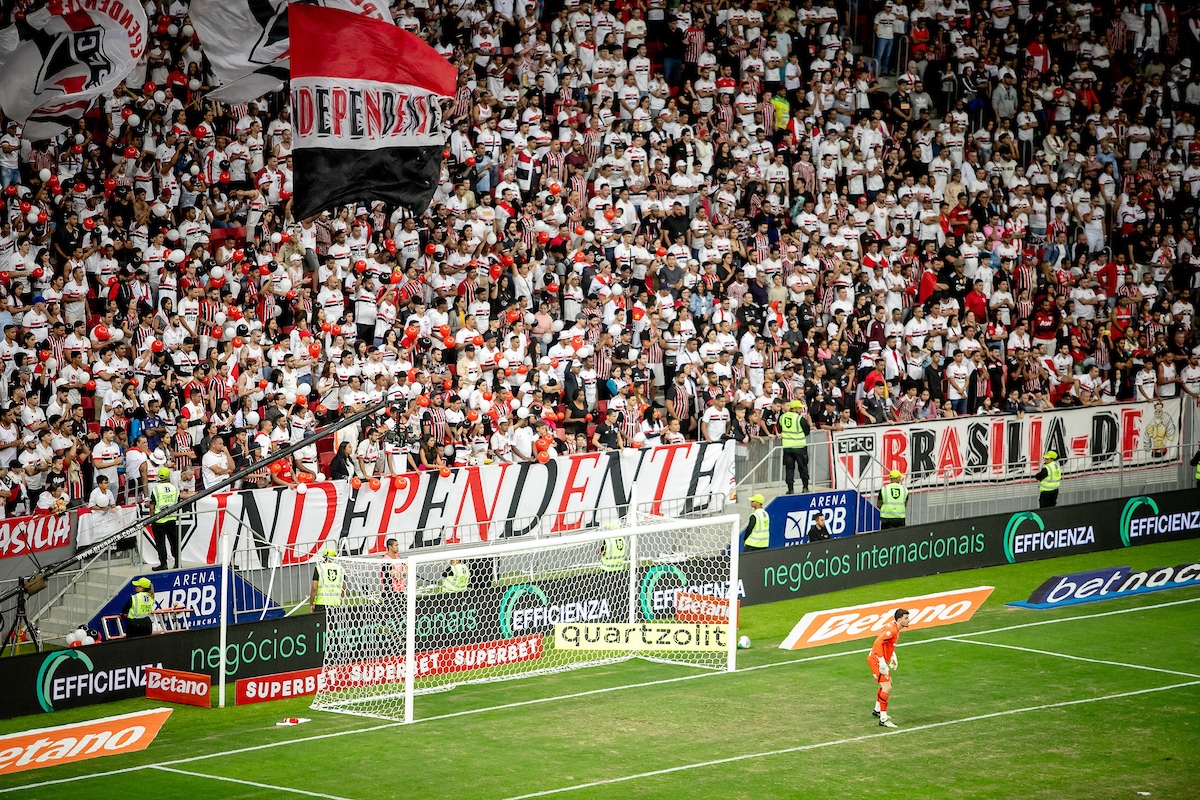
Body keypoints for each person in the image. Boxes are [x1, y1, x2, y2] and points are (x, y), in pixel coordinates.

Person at [869, 608, 910, 728]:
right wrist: (882, 662)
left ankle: (877, 710)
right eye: (906, 618)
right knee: (887, 687)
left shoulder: (894, 629)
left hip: (880, 659)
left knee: (887, 683)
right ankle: (883, 719)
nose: (908, 620)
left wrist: (893, 655)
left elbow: (887, 644)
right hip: (876, 660)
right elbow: (877, 644)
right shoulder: (892, 630)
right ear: (899, 619)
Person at [149, 467, 181, 571]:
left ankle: (163, 564)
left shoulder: (156, 489)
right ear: (169, 476)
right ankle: (177, 563)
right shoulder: (175, 488)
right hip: (171, 519)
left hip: (159, 520)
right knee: (174, 542)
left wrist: (152, 517)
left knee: (160, 543)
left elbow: (152, 507)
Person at [779, 399, 809, 494]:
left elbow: (780, 427)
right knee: (803, 468)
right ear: (795, 409)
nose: (801, 410)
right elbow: (807, 431)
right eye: (800, 408)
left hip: (787, 447)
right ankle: (805, 487)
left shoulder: (782, 417)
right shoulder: (799, 419)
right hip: (799, 447)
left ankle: (790, 489)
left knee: (789, 469)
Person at [309, 547, 344, 612]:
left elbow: (314, 588)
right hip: (335, 603)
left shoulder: (319, 568)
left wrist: (311, 604)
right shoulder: (340, 569)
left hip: (321, 603)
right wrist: (340, 601)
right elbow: (343, 588)